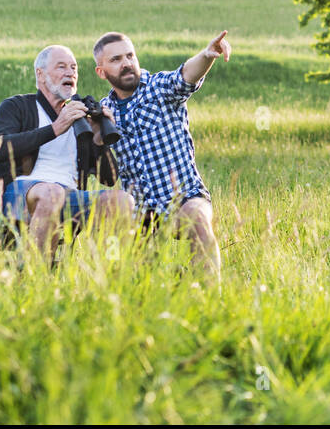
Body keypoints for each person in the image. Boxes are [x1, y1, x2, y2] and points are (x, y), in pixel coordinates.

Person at [92, 29, 230, 279]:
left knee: (198, 219)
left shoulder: (159, 87)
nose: (126, 64)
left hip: (184, 197)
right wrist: (98, 135)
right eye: (116, 60)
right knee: (141, 277)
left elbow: (186, 74)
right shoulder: (105, 111)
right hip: (141, 211)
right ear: (101, 72)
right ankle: (168, 283)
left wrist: (207, 55)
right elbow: (102, 170)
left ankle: (211, 299)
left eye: (130, 56)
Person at [0, 44, 133, 262]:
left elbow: (110, 179)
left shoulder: (81, 117)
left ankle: (110, 280)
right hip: (19, 193)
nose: (70, 73)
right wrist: (56, 128)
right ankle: (35, 278)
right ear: (41, 74)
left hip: (69, 197)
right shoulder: (17, 106)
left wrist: (98, 140)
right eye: (61, 67)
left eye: (74, 68)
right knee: (52, 193)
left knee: (124, 201)